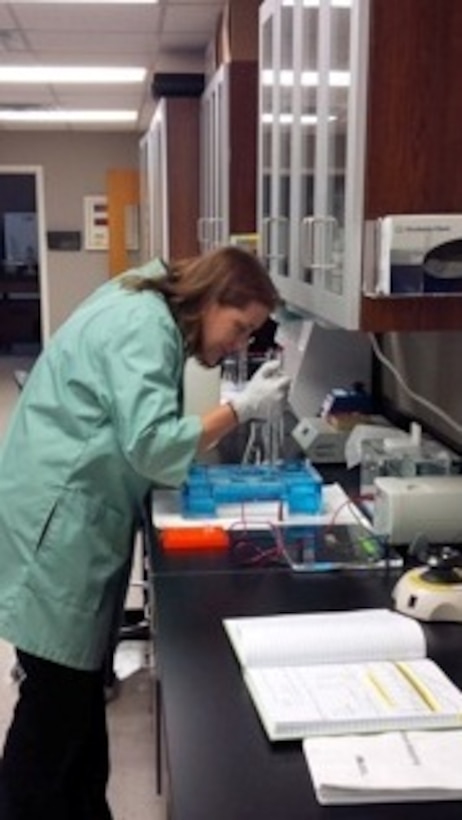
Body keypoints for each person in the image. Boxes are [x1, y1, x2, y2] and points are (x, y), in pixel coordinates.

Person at [0, 245, 290, 819]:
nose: (239, 345)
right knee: (52, 715)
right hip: (60, 520)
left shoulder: (149, 299)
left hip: (71, 505)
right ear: (210, 299)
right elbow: (154, 444)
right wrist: (242, 408)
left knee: (78, 706)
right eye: (239, 328)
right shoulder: (144, 325)